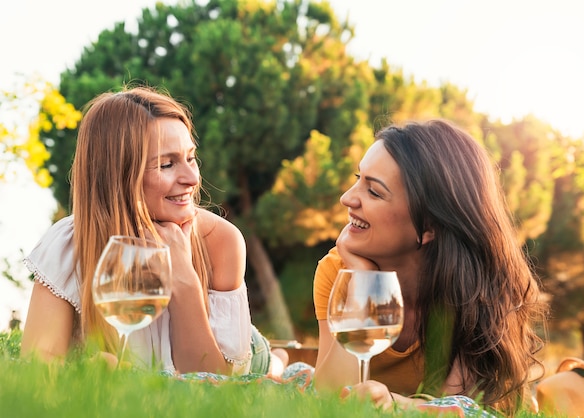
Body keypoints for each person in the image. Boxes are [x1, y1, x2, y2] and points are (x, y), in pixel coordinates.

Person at [21, 85, 285, 376]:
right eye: (167, 164)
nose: (192, 178)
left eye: (191, 158)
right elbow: (38, 364)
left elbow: (214, 382)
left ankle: (280, 361)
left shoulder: (221, 240)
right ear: (119, 175)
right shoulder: (70, 243)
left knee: (268, 365)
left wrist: (183, 277)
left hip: (238, 346)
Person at [313, 119, 547, 415]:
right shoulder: (339, 272)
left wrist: (393, 404)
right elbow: (326, 398)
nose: (346, 198)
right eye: (358, 178)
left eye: (374, 192)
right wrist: (363, 280)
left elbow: (459, 408)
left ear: (429, 225)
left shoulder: (482, 288)